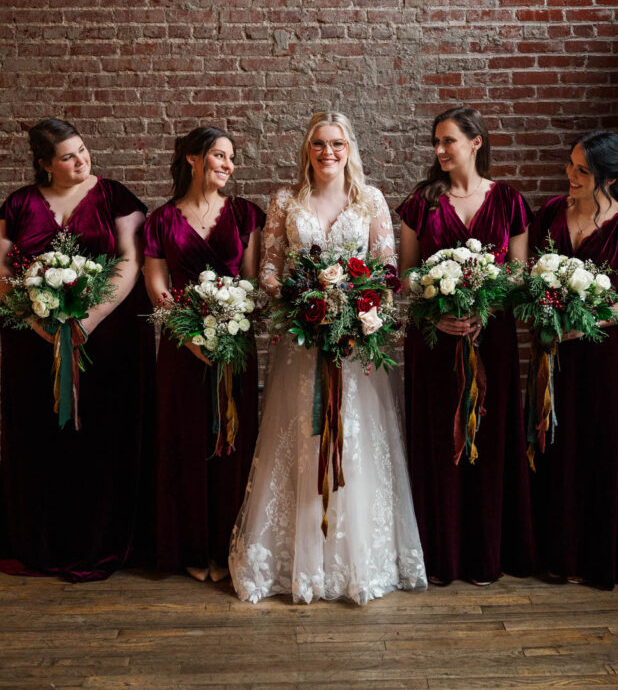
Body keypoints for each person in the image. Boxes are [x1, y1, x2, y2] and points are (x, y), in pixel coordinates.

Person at [229, 111, 427, 604]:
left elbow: (386, 269)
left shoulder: (371, 201)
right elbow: (270, 270)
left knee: (355, 441)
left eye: (337, 144)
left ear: (349, 148)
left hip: (355, 345)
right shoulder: (284, 201)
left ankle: (358, 560)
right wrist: (300, 301)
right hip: (301, 345)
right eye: (319, 144)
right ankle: (300, 559)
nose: (328, 153)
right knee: (301, 437)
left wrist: (352, 308)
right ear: (307, 149)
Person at [0, 118, 155, 580]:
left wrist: (90, 318)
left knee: (102, 436)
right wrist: (35, 320)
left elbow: (131, 258)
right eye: (68, 156)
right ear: (45, 165)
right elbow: (3, 270)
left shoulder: (115, 196)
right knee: (42, 437)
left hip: (107, 340)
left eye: (83, 150)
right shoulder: (19, 203)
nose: (81, 160)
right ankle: (43, 542)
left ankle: (104, 541)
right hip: (33, 345)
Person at [397, 105, 536, 586]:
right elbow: (408, 274)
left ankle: (484, 554)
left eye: (448, 141)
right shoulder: (421, 201)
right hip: (435, 339)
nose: (438, 151)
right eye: (435, 142)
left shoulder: (510, 201)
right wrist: (440, 304)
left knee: (490, 438)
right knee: (438, 439)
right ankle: (440, 555)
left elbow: (518, 272)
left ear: (476, 142)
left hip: (490, 337)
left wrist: (485, 304)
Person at [528, 130, 618, 588]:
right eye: (571, 165)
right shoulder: (550, 214)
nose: (571, 175)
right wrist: (542, 305)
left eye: (583, 170)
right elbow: (529, 275)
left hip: (600, 356)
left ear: (609, 177)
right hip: (553, 351)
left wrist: (591, 322)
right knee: (554, 445)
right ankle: (555, 555)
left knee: (598, 447)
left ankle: (598, 557)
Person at [144, 126, 264, 582]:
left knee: (234, 441)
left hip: (234, 343)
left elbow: (251, 284)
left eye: (231, 158)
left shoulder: (247, 215)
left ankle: (227, 547)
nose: (228, 165)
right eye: (219, 155)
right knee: (186, 442)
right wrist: (190, 334)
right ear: (192, 159)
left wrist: (230, 323)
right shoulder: (160, 221)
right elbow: (157, 285)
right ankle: (192, 549)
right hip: (181, 348)